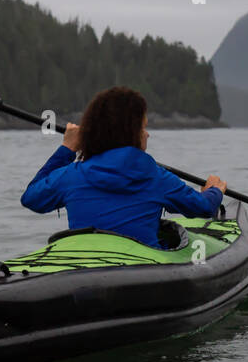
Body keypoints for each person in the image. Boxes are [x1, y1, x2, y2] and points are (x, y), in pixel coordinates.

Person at [21, 86, 227, 247]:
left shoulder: (71, 176)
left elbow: (31, 198)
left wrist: (67, 148)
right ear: (130, 132)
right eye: (143, 127)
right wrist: (214, 192)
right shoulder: (157, 178)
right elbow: (203, 208)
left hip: (84, 272)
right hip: (143, 275)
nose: (147, 134)